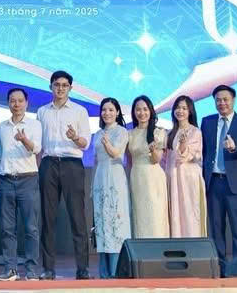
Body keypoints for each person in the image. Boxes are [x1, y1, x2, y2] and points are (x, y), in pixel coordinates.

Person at [37, 70, 91, 280]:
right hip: (48, 164)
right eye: (57, 84)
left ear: (70, 88)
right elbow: (38, 144)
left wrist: (75, 137)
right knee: (47, 218)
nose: (60, 88)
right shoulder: (42, 111)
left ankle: (83, 269)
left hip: (72, 165)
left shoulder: (79, 111)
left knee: (77, 218)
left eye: (64, 85)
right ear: (50, 86)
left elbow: (85, 144)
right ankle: (48, 269)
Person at [201, 84, 237, 277]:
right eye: (218, 100)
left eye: (225, 99)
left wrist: (233, 148)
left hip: (235, 184)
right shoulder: (207, 122)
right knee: (216, 228)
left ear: (233, 100)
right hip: (213, 182)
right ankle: (221, 268)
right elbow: (204, 151)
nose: (222, 103)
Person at [0, 88, 42, 281]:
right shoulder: (1, 126)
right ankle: (10, 270)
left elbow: (36, 149)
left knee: (31, 228)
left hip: (27, 180)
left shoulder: (34, 124)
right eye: (13, 100)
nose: (17, 104)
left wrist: (23, 139)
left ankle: (31, 270)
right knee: (7, 229)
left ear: (26, 103)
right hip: (5, 180)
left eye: (20, 101)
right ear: (8, 103)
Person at [91, 97, 131, 278]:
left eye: (111, 110)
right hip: (100, 177)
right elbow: (95, 160)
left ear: (117, 113)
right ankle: (104, 272)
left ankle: (116, 270)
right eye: (104, 110)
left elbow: (116, 154)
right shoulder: (97, 133)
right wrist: (92, 185)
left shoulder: (122, 131)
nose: (106, 113)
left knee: (116, 222)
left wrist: (107, 143)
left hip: (115, 177)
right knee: (101, 223)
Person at [165, 96, 208, 238]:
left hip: (188, 179)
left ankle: (192, 244)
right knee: (175, 213)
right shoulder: (169, 133)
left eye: (184, 108)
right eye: (177, 108)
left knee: (189, 212)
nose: (180, 111)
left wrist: (183, 145)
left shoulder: (195, 132)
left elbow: (186, 156)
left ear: (190, 111)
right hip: (172, 177)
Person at [128, 95, 169, 238]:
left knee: (155, 215)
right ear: (134, 112)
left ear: (151, 111)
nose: (142, 113)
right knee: (139, 216)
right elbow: (129, 159)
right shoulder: (130, 134)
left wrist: (153, 150)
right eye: (138, 109)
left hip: (153, 177)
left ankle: (159, 248)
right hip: (137, 177)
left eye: (145, 109)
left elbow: (156, 160)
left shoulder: (159, 132)